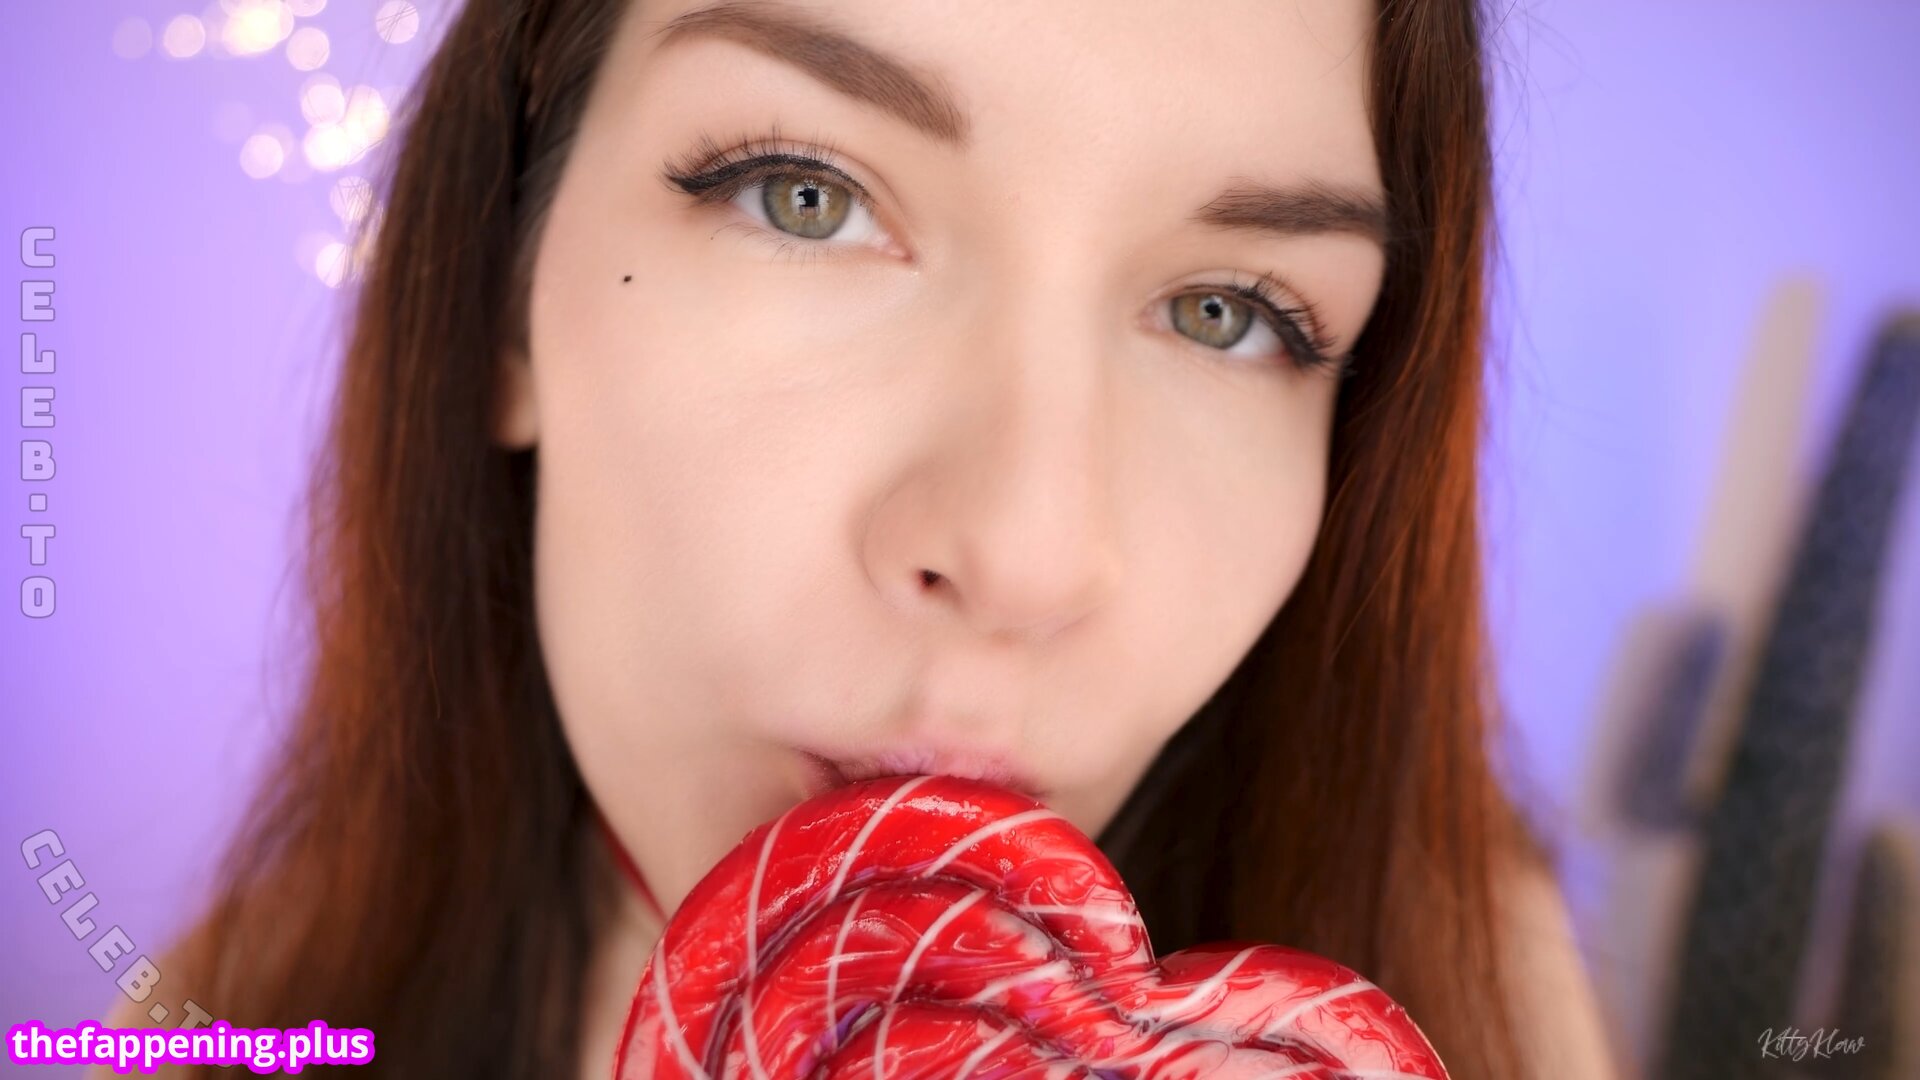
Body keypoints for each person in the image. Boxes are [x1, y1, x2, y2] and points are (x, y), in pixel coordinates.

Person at [99, 1, 1624, 1076]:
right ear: (505, 280)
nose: (1024, 552)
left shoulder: (1475, 999)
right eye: (806, 196)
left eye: (1229, 314)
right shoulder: (216, 1033)